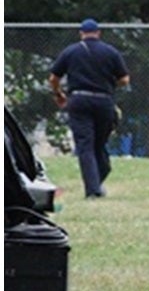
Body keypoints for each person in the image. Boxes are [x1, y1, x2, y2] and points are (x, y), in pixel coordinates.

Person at [48, 18, 130, 198]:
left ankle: (94, 187)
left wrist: (59, 94)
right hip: (104, 101)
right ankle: (95, 186)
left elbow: (53, 78)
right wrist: (108, 84)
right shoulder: (110, 52)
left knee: (86, 146)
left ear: (81, 34)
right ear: (98, 33)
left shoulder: (71, 51)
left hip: (78, 101)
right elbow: (124, 79)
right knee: (99, 144)